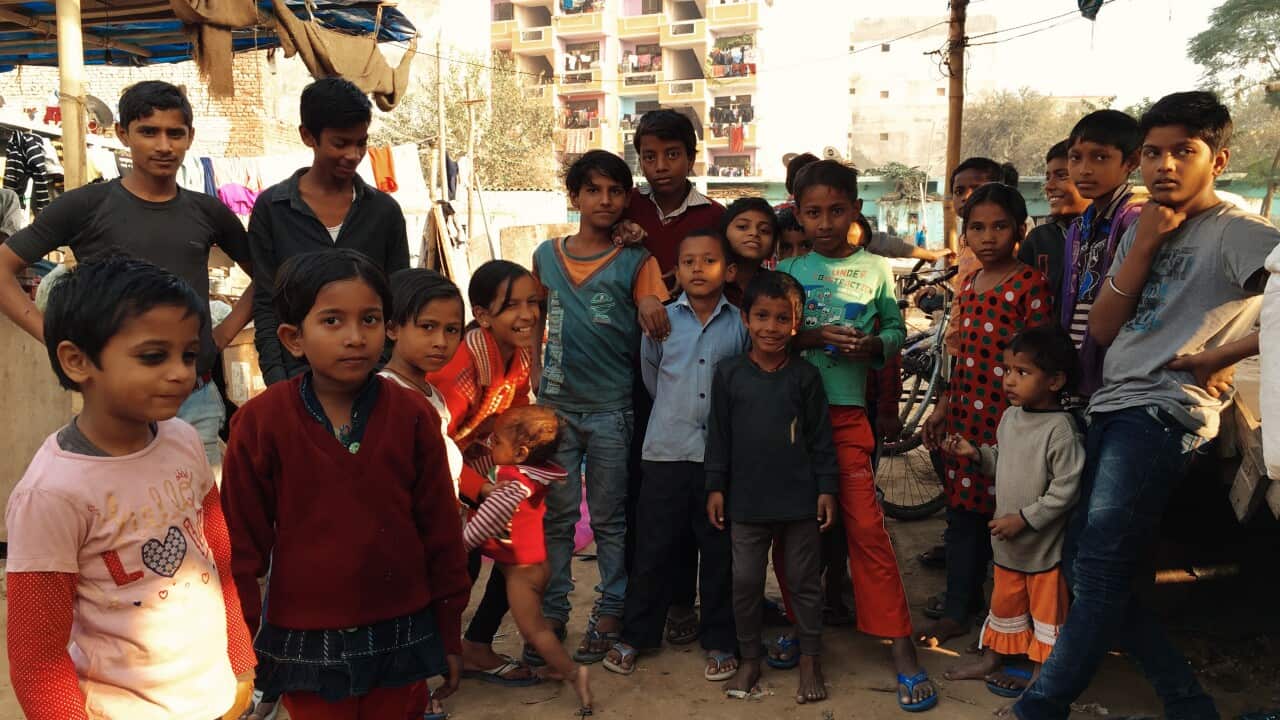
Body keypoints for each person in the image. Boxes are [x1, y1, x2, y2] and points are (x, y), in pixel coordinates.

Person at [1015, 91, 1280, 720]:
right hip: (1112, 404)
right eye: (1154, 153)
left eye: (1183, 152)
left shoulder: (1238, 231)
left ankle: (1041, 706)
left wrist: (1223, 353)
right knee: (1087, 568)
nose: (1165, 166)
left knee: (1099, 567)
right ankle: (1187, 704)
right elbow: (1105, 329)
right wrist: (1143, 248)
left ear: (1218, 160)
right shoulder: (1145, 225)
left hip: (1161, 411)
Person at [221, 249, 470, 718]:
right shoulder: (261, 422)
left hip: (402, 629)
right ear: (294, 338)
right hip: (305, 636)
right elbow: (240, 548)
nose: (355, 337)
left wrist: (448, 632)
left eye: (369, 319)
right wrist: (241, 645)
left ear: (387, 328)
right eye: (332, 321)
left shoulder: (412, 415)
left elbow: (441, 532)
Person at [6, 257, 255, 720]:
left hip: (212, 696)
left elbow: (217, 556)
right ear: (77, 360)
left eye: (188, 355)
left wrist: (239, 659)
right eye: (153, 356)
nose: (181, 373)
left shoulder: (182, 440)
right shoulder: (52, 494)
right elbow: (37, 654)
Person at [0, 80, 255, 467]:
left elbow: (266, 276)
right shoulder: (86, 206)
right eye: (148, 132)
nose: (163, 146)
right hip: (113, 403)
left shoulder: (208, 212)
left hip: (192, 400)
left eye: (175, 133)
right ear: (123, 133)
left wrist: (221, 336)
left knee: (192, 503)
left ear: (190, 137)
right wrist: (52, 336)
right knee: (116, 501)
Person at [778, 160, 938, 712]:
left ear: (856, 210)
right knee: (793, 531)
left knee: (868, 529)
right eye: (812, 212)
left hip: (847, 417)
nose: (824, 222)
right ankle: (801, 627)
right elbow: (770, 333)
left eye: (836, 211)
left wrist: (875, 346)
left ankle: (899, 643)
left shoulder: (876, 269)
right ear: (798, 214)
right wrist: (811, 337)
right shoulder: (789, 269)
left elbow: (893, 328)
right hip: (791, 420)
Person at [532, 150, 669, 666]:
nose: (605, 200)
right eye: (593, 190)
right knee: (558, 518)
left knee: (611, 519)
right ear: (575, 197)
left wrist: (649, 301)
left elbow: (657, 311)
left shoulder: (637, 260)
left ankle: (611, 610)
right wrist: (532, 372)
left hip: (612, 409)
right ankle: (553, 612)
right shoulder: (546, 255)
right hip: (556, 408)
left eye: (615, 191)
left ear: (627, 198)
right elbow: (535, 318)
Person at [603, 229, 747, 680]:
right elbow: (652, 378)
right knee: (653, 548)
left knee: (719, 553)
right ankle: (638, 634)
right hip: (665, 451)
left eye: (709, 260)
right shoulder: (660, 321)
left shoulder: (741, 324)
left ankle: (720, 639)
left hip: (719, 458)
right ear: (676, 272)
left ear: (729, 271)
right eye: (688, 262)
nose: (698, 268)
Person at [919, 183, 1054, 647]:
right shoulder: (970, 283)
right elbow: (959, 354)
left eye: (999, 226)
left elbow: (1042, 355)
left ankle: (1012, 619)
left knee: (1009, 520)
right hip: (965, 416)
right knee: (962, 516)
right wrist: (943, 405)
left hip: (1012, 423)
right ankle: (959, 608)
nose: (988, 237)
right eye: (977, 228)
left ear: (1020, 230)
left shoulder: (1029, 285)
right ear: (965, 235)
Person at [705, 270, 838, 706]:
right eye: (762, 316)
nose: (771, 328)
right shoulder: (729, 374)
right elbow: (718, 436)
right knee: (745, 581)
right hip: (745, 501)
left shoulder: (805, 377)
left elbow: (821, 438)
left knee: (803, 582)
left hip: (799, 500)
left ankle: (810, 659)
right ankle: (749, 657)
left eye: (783, 319)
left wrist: (826, 488)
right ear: (745, 319)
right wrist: (715, 486)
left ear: (796, 324)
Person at [939, 325, 1083, 700]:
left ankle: (1040, 680)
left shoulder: (1061, 430)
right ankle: (992, 659)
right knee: (1004, 605)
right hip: (1008, 546)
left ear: (1055, 381)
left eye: (1022, 372)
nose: (1009, 380)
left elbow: (1066, 489)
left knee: (1047, 616)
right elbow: (1002, 460)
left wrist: (1024, 519)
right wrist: (976, 454)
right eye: (1007, 370)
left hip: (1043, 549)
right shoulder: (1010, 418)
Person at [249, 78, 409, 386]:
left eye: (361, 143)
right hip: (296, 378)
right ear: (308, 136)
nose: (353, 154)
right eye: (340, 143)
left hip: (372, 378)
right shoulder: (272, 208)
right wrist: (277, 379)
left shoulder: (384, 212)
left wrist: (385, 372)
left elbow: (398, 298)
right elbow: (267, 302)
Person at [428, 259, 543, 686]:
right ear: (483, 315)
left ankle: (474, 645)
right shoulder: (463, 367)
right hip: (439, 470)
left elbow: (514, 417)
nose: (527, 314)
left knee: (518, 550)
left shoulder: (519, 352)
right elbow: (433, 447)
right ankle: (436, 660)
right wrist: (483, 490)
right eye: (512, 306)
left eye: (533, 302)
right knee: (458, 568)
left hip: (473, 462)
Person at [461, 406, 593, 714]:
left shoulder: (512, 486)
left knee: (534, 629)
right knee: (533, 625)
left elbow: (488, 520)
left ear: (520, 453)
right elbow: (486, 464)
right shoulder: (527, 470)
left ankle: (575, 674)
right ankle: (558, 668)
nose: (490, 445)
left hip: (523, 571)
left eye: (496, 442)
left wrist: (462, 544)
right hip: (527, 563)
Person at [1060, 109, 1144, 396]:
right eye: (1075, 157)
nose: (1084, 169)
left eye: (1100, 157)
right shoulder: (1079, 227)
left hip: (1118, 371)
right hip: (1077, 364)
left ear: (1131, 161)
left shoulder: (1135, 221)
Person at [1018, 140, 1091, 301]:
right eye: (1048, 177)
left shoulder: (1114, 235)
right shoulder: (1038, 240)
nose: (1049, 186)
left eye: (1062, 175)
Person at [720, 197, 777, 306]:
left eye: (764, 230)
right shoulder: (711, 284)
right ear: (723, 234)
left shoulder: (777, 287)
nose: (754, 233)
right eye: (742, 227)